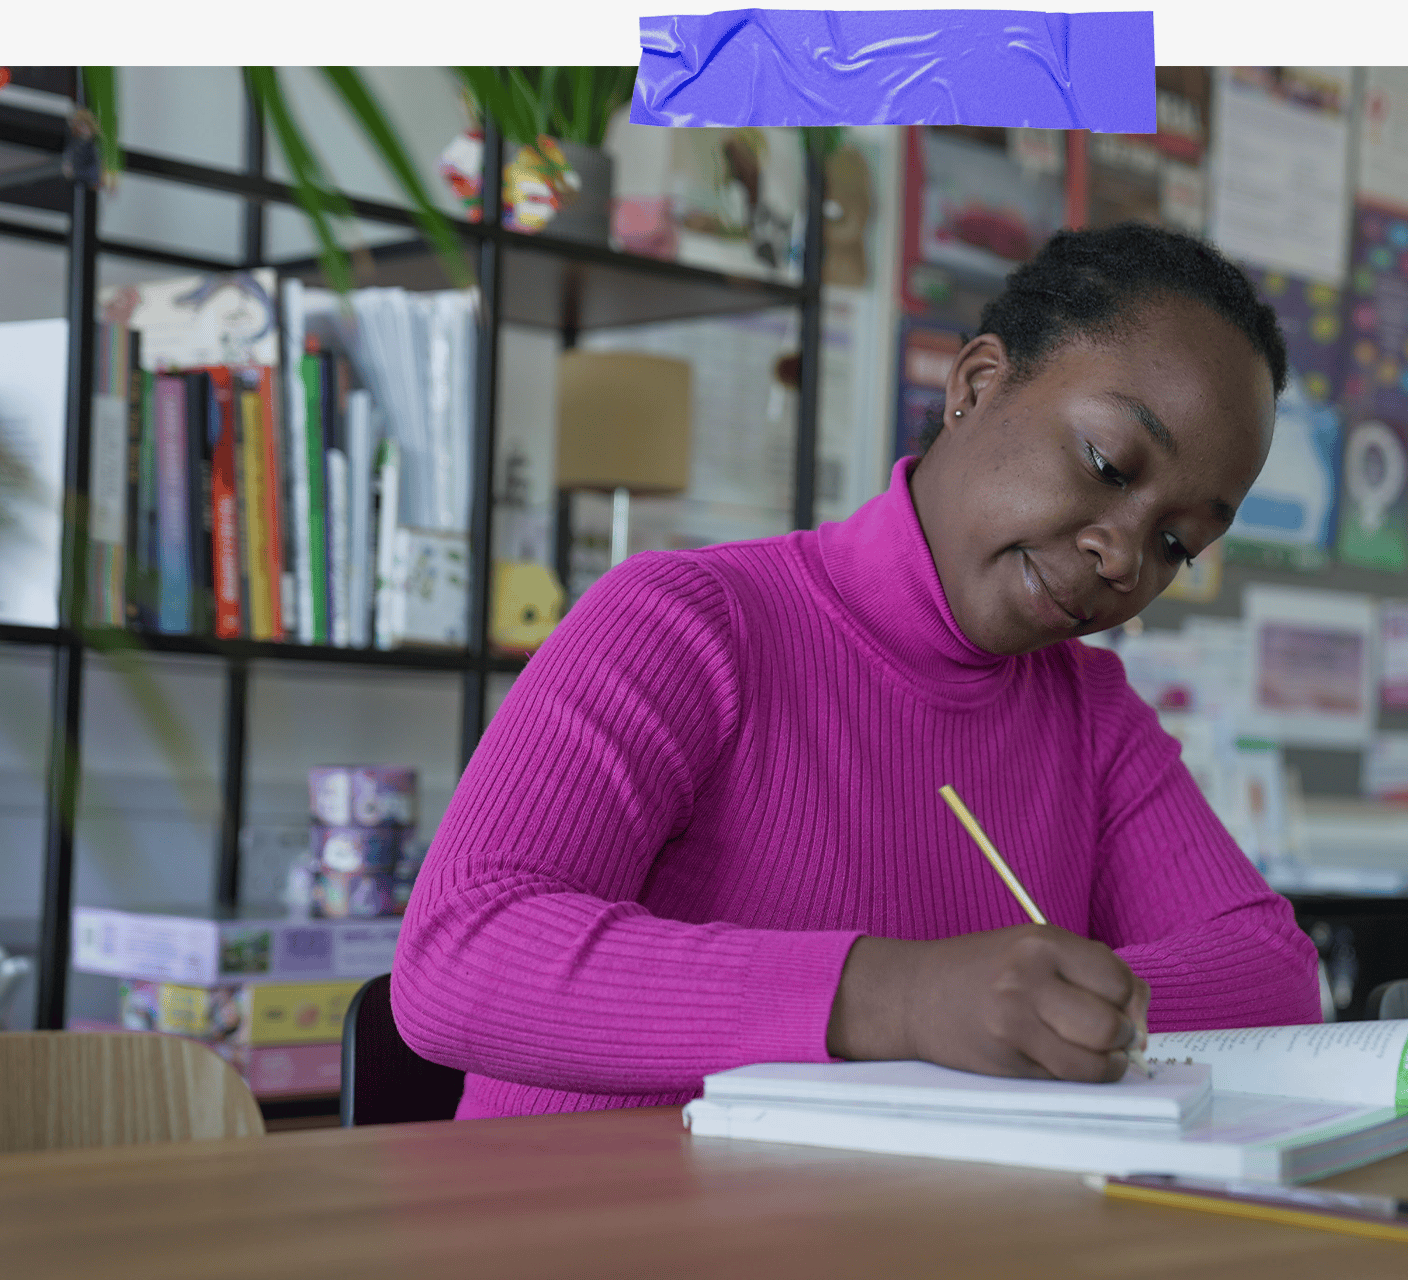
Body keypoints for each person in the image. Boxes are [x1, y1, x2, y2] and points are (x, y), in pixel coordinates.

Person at [394, 222, 1321, 1120]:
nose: (1124, 557)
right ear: (977, 384)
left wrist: (1042, 1006)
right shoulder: (684, 625)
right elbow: (458, 958)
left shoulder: (1092, 715)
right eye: (1108, 462)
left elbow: (1273, 974)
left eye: (1176, 542)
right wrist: (904, 999)